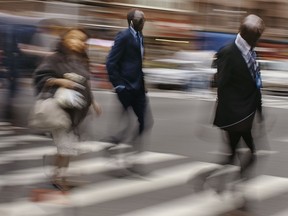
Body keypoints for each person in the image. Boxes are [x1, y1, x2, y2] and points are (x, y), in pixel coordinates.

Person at [33, 28, 101, 190]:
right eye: (73, 38)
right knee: (65, 147)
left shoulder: (82, 60)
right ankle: (58, 179)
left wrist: (93, 102)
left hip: (76, 111)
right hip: (60, 109)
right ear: (64, 40)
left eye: (81, 40)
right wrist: (59, 81)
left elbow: (86, 84)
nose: (77, 42)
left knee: (69, 148)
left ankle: (61, 174)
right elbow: (40, 76)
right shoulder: (55, 58)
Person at [213, 14, 265, 180]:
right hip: (234, 116)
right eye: (256, 35)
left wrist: (259, 112)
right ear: (247, 34)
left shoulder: (251, 54)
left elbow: (255, 85)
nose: (258, 39)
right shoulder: (228, 52)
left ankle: (212, 179)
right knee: (247, 154)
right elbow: (221, 84)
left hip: (245, 114)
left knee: (232, 156)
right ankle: (235, 184)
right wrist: (233, 114)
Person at [105, 8, 153, 175]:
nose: (144, 22)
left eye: (144, 19)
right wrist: (118, 85)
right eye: (141, 19)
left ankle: (121, 150)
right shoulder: (124, 36)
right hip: (126, 87)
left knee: (145, 122)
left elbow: (137, 63)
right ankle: (119, 153)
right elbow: (111, 62)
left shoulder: (140, 37)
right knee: (127, 122)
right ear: (132, 21)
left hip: (139, 87)